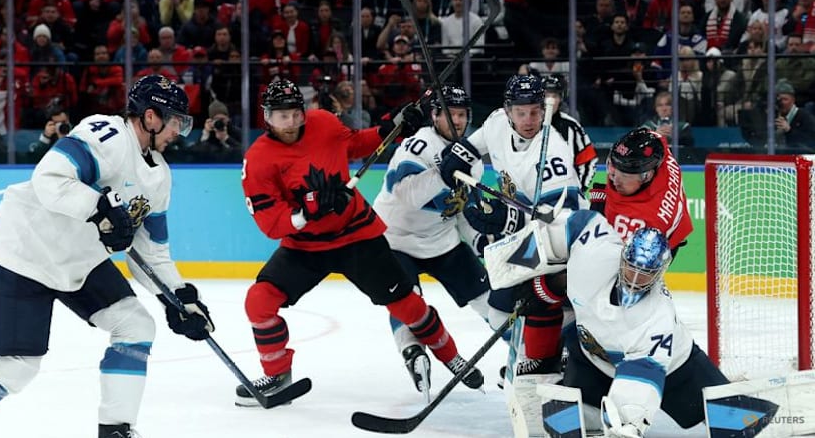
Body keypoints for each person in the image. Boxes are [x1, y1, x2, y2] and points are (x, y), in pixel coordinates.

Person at [0, 75, 214, 438]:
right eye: (176, 121)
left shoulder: (159, 177)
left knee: (136, 326)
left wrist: (180, 297)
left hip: (79, 261)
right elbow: (50, 179)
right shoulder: (105, 134)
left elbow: (150, 251)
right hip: (24, 252)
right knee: (17, 368)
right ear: (151, 117)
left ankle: (115, 430)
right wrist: (98, 208)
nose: (179, 131)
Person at [236, 79, 484, 406]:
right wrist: (308, 212)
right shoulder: (258, 160)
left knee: (407, 305)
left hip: (357, 236)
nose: (292, 122)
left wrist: (397, 126)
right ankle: (278, 376)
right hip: (305, 247)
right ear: (267, 117)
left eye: (296, 113)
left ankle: (449, 355)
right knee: (259, 301)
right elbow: (270, 223)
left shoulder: (322, 122)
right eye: (282, 116)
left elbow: (357, 143)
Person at [538, 216, 767, 437]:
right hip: (595, 361)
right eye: (631, 269)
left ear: (659, 274)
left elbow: (643, 374)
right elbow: (577, 224)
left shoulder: (658, 317)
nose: (635, 280)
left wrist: (628, 422)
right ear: (622, 258)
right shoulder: (595, 257)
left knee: (739, 420)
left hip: (675, 369)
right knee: (573, 421)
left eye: (645, 275)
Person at [438, 73, 597, 385]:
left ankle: (554, 354)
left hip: (562, 245)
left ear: (544, 109)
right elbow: (466, 152)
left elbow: (562, 222)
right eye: (521, 112)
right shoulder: (497, 122)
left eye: (535, 111)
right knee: (497, 312)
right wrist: (455, 167)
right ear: (507, 110)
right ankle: (541, 356)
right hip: (528, 238)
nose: (528, 120)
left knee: (541, 298)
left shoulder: (553, 152)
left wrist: (509, 220)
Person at [372, 85, 488, 395]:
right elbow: (406, 194)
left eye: (463, 115)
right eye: (451, 115)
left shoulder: (472, 159)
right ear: (434, 115)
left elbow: (461, 208)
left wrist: (479, 241)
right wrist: (442, 173)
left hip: (441, 240)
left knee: (487, 298)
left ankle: (526, 358)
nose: (458, 122)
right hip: (395, 238)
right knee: (406, 301)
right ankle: (412, 352)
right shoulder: (417, 145)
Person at [590, 127, 693, 252]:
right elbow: (651, 135)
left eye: (625, 175)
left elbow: (626, 265)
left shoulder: (652, 220)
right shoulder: (657, 147)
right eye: (613, 168)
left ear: (646, 176)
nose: (615, 179)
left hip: (661, 239)